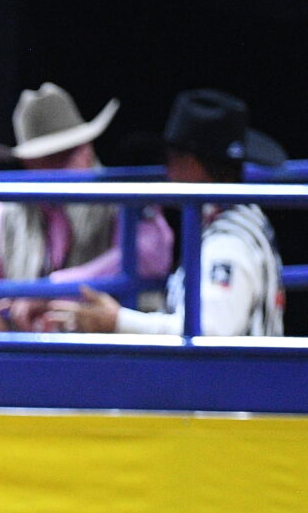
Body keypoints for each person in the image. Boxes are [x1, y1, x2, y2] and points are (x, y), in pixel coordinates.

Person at [45, 89, 287, 339]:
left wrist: (118, 321)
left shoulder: (229, 242)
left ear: (190, 164)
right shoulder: (239, 219)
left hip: (231, 377)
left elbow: (211, 331)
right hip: (233, 374)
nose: (167, 171)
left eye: (170, 159)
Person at [0, 84, 173, 332]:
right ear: (28, 162)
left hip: (110, 359)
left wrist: (52, 289)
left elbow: (150, 256)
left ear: (87, 148)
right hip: (31, 360)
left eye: (68, 153)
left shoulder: (125, 203)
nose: (61, 168)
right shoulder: (6, 214)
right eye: (48, 158)